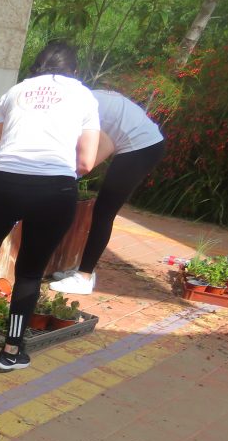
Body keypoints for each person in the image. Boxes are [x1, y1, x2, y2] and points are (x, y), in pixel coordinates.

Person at [0, 40, 100, 371]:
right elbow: (86, 161)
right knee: (30, 271)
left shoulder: (14, 92)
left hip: (2, 183)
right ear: (74, 70)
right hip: (53, 189)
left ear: (37, 66)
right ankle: (11, 351)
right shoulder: (84, 96)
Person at [49, 89, 165, 295]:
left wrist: (70, 175)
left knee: (104, 211)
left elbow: (101, 148)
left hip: (141, 146)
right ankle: (84, 271)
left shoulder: (73, 108)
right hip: (140, 141)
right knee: (102, 210)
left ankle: (84, 277)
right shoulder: (75, 98)